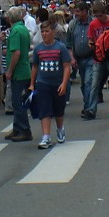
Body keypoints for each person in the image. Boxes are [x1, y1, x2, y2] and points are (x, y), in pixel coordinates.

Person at [28, 21, 72, 149]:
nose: (44, 34)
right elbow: (35, 67)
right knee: (44, 110)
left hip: (57, 83)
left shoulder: (60, 48)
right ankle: (46, 136)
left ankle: (60, 129)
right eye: (42, 31)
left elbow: (66, 67)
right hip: (43, 83)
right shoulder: (38, 49)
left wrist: (64, 83)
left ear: (53, 32)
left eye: (47, 31)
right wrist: (32, 84)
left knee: (59, 110)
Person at [82, 0, 109, 121]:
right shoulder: (93, 24)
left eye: (100, 15)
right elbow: (90, 39)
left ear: (105, 13)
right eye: (96, 16)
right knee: (94, 84)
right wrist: (91, 45)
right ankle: (91, 109)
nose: (99, 18)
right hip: (99, 57)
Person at [3, 6, 33, 142]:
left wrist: (9, 70)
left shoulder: (15, 31)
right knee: (19, 101)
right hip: (24, 69)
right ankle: (17, 128)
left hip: (18, 72)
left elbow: (16, 52)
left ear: (8, 18)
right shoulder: (23, 28)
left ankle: (24, 129)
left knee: (18, 102)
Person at [67, 1, 94, 116]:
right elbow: (68, 44)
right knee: (84, 84)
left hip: (91, 58)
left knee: (88, 82)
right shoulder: (73, 25)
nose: (75, 13)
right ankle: (87, 103)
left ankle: (89, 109)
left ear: (85, 11)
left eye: (78, 11)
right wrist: (72, 58)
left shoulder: (92, 23)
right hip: (79, 59)